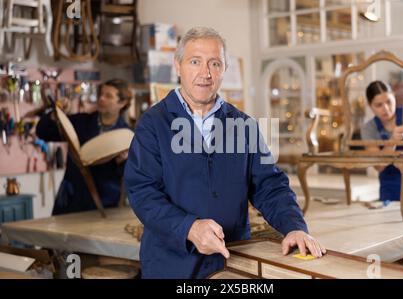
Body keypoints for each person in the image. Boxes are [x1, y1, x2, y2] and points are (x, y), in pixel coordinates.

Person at [124, 27, 326, 279]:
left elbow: (270, 185)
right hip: (171, 265)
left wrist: (294, 227)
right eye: (195, 61)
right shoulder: (153, 124)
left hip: (232, 260)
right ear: (178, 66)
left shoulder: (244, 125)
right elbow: (142, 192)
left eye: (215, 63)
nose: (205, 73)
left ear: (224, 69)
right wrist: (188, 228)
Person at [35, 79, 132, 215]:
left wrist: (123, 162)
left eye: (108, 96)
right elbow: (43, 132)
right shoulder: (81, 122)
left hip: (104, 204)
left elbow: (133, 176)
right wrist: (55, 113)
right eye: (101, 94)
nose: (101, 98)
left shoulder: (128, 135)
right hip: (71, 200)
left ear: (122, 103)